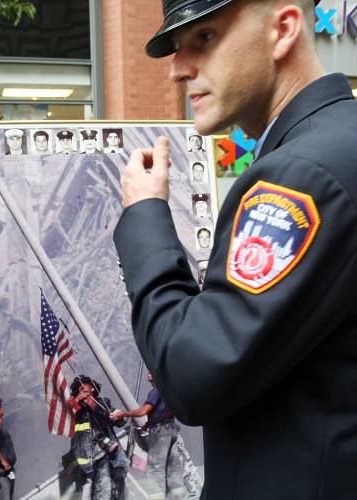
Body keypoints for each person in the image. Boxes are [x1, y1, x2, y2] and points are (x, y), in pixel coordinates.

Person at [114, 0, 357, 499]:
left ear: (283, 29)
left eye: (203, 39)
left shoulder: (299, 176)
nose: (178, 70)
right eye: (177, 49)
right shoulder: (338, 143)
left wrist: (145, 214)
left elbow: (191, 375)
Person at [111, 373, 196, 499]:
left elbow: (143, 411)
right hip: (171, 430)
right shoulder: (167, 391)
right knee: (173, 468)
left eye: (150, 371)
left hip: (160, 433)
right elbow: (169, 411)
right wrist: (150, 423)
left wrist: (123, 414)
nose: (148, 374)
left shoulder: (155, 392)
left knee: (156, 470)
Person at [67, 375, 127, 500]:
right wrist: (77, 400)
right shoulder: (76, 409)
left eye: (85, 385)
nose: (82, 389)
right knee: (100, 491)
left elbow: (119, 421)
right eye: (79, 388)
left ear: (92, 388)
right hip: (92, 457)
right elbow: (67, 419)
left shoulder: (102, 402)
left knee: (118, 486)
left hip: (114, 454)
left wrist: (119, 417)